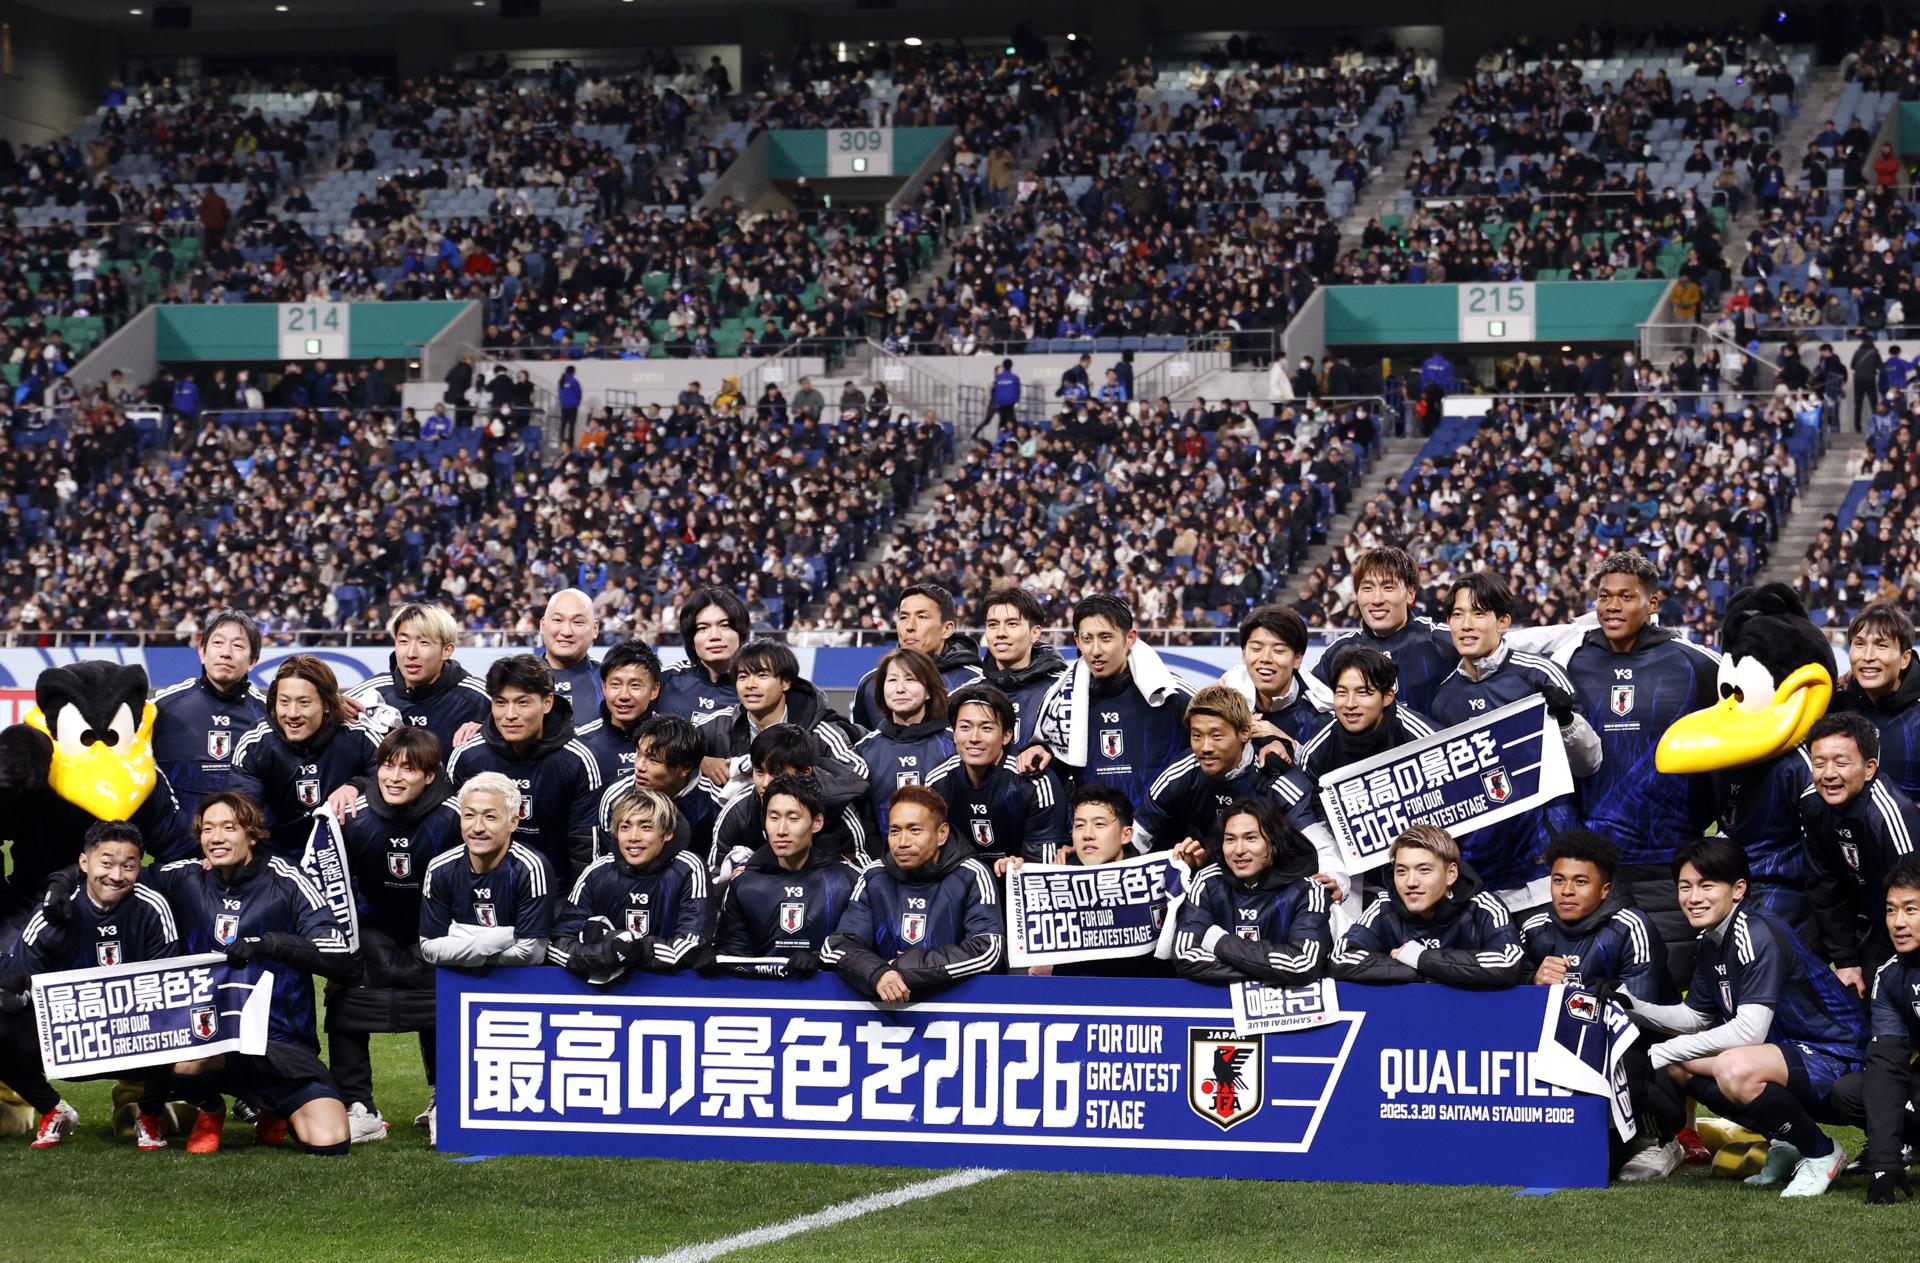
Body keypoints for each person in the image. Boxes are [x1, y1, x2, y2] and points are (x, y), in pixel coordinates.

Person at [1622, 838, 1866, 1198]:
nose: (1693, 897)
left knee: (1733, 1068)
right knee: (1681, 1065)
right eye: (1685, 886)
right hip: (1784, 1053)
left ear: (1738, 889)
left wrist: (1663, 1052)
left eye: (1707, 885)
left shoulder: (1753, 931)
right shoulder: (1710, 938)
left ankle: (1822, 1152)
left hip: (1838, 1054)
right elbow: (1695, 1017)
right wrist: (1631, 1005)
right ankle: (1786, 1141)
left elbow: (1750, 1032)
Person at [150, 792, 356, 1155]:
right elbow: (117, 872)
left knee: (330, 1140)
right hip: (211, 1037)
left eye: (229, 828)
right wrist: (63, 880)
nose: (216, 838)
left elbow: (340, 955)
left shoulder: (287, 879)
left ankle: (272, 1107)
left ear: (253, 833)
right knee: (183, 1063)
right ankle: (211, 1109)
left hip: (279, 1041)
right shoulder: (185, 877)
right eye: (208, 829)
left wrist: (269, 943)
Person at [1555, 552, 1721, 982]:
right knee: (1592, 986)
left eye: (1625, 597)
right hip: (1594, 859)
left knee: (1667, 983)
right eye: (1604, 596)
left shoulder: (1696, 663)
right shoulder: (1572, 662)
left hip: (1667, 855)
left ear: (1653, 602)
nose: (1611, 606)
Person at [0, 822, 180, 1149]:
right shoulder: (53, 912)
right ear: (84, 863)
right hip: (70, 1038)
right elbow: (22, 988)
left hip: (132, 1035)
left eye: (128, 866)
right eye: (106, 863)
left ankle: (149, 1114)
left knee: (180, 1024)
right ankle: (53, 1110)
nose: (116, 875)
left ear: (140, 865)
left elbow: (167, 988)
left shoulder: (153, 908)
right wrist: (10, 986)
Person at [1430, 572, 1600, 914]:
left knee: (1562, 967)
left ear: (1503, 621)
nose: (1465, 624)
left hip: (1544, 867)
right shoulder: (1443, 697)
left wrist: (1567, 721)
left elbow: (1589, 763)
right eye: (1457, 615)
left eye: (1478, 613)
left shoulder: (1538, 675)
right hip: (1483, 870)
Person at [328, 727, 459, 1145]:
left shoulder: (452, 817)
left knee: (447, 996)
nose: (395, 776)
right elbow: (334, 885)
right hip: (373, 929)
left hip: (437, 931)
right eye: (388, 765)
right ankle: (358, 1105)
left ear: (431, 776)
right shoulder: (352, 816)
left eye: (409, 768)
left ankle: (448, 1100)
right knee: (342, 991)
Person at [822, 785, 1005, 1001]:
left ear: (942, 834)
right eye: (895, 830)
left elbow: (987, 950)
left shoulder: (972, 875)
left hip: (958, 1013)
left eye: (915, 830)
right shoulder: (874, 876)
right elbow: (838, 945)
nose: (902, 842)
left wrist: (902, 969)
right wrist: (878, 973)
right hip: (885, 1016)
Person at [1025, 594, 1195, 812]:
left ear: (1130, 638)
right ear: (1077, 640)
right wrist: (1039, 747)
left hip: (1164, 840)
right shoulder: (1060, 701)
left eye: (1106, 638)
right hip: (1093, 838)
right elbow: (1056, 769)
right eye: (1087, 639)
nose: (1095, 650)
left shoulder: (1170, 693)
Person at [446, 654, 601, 882]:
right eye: (501, 702)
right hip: (481, 889)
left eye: (522, 702)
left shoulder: (577, 760)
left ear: (547, 702)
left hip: (556, 893)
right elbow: (451, 837)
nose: (510, 715)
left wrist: (575, 907)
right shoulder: (468, 756)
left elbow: (584, 847)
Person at [1823, 857, 1920, 1204]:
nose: (1899, 922)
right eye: (1892, 910)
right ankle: (1904, 1151)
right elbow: (1886, 1067)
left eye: (1911, 909)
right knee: (1851, 1090)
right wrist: (1883, 1161)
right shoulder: (1890, 976)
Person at [1802, 712, 1920, 988]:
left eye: (1841, 763)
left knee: (1885, 990)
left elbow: (1913, 897)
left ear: (1869, 768)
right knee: (1792, 958)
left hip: (1899, 916)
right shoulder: (1811, 804)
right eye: (1819, 764)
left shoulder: (1890, 815)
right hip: (1858, 910)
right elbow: (1823, 885)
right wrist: (1845, 960)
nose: (1828, 774)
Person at [1330, 824, 1527, 987]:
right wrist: (1420, 970)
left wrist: (1423, 958)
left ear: (1451, 874)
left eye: (1424, 870)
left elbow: (1509, 962)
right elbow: (1341, 958)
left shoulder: (1483, 906)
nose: (1411, 882)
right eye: (1401, 871)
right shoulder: (1384, 905)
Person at [550, 787, 711, 979]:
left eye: (646, 827)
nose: (633, 837)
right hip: (608, 997)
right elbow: (558, 944)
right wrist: (603, 954)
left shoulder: (689, 869)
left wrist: (635, 949)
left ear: (667, 833)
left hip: (673, 993)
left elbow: (693, 945)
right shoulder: (596, 873)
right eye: (625, 827)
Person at [713, 774, 864, 977]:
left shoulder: (849, 882)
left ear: (817, 822)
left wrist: (821, 960)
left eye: (793, 818)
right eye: (773, 817)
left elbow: (860, 950)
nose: (781, 830)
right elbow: (735, 958)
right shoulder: (744, 884)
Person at [229, 655, 381, 856]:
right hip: (278, 856)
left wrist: (358, 786)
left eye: (304, 702)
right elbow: (243, 811)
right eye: (284, 702)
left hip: (350, 857)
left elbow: (397, 781)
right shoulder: (255, 744)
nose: (292, 713)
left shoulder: (358, 735)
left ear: (327, 704)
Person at [1173, 796, 1332, 986]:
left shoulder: (1308, 890)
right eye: (1230, 840)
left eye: (1251, 838)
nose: (1239, 850)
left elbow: (1303, 965)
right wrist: (1268, 972)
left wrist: (1220, 942)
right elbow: (1185, 956)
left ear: (1273, 842)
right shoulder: (1207, 882)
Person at [1520, 829, 1672, 1001]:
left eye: (1580, 882)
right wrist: (1533, 982)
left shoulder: (1631, 928)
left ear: (1604, 891)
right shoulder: (1534, 928)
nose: (1567, 891)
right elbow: (1512, 1003)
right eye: (1559, 880)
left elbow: (1643, 1013)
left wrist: (1598, 998)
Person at [1135, 686, 1289, 855]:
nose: (1205, 748)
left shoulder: (1274, 773)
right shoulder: (1179, 773)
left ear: (1245, 732)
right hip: (1205, 874)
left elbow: (1315, 848)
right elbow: (1136, 839)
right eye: (1197, 736)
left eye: (1216, 736)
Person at [926, 685, 1067, 865]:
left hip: (1018, 886)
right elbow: (934, 855)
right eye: (965, 727)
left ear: (1007, 735)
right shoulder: (937, 782)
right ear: (954, 733)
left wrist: (1015, 870)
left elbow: (1042, 868)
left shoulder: (1034, 783)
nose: (974, 737)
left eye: (986, 728)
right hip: (965, 886)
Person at [696, 639, 868, 785]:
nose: (750, 684)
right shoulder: (720, 725)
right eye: (743, 676)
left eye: (762, 675)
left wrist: (798, 784)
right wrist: (701, 761)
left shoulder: (819, 733)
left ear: (785, 682)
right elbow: (671, 746)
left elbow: (857, 774)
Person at [151, 608, 266, 824]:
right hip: (177, 851)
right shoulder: (161, 708)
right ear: (202, 653)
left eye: (238, 645)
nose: (226, 653)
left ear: (253, 661)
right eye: (218, 643)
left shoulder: (268, 715)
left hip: (244, 849)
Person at [708, 725, 873, 875]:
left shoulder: (839, 810)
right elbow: (714, 878)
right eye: (759, 772)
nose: (765, 783)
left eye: (777, 774)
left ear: (805, 772)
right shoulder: (737, 813)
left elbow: (862, 878)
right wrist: (730, 881)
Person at [1313, 546, 1458, 715]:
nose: (1376, 599)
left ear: (1410, 594)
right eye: (1367, 588)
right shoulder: (1339, 652)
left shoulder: (1441, 641)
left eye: (1388, 588)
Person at [345, 602, 491, 756]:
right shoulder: (372, 691)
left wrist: (488, 728)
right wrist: (333, 712)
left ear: (446, 650)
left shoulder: (479, 697)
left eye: (424, 643)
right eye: (403, 642)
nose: (411, 653)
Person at [853, 649, 956, 843]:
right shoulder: (864, 750)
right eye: (892, 680)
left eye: (910, 679)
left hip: (946, 864)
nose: (900, 688)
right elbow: (864, 820)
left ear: (928, 690)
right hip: (885, 864)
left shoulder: (955, 745)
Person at [849, 583, 984, 730]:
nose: (909, 626)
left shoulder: (975, 681)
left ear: (947, 628)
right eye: (904, 617)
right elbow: (865, 747)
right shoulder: (871, 683)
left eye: (922, 617)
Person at [594, 713, 723, 861]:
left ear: (685, 768)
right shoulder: (617, 795)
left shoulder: (715, 802)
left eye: (653, 760)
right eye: (638, 754)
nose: (639, 766)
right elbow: (609, 862)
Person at [1830, 603, 1920, 803]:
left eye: (1881, 645)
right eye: (1860, 644)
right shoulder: (1835, 704)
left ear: (1905, 658)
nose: (1868, 657)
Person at [1219, 603, 1331, 755]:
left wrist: (1288, 744)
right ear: (1244, 654)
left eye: (1278, 650)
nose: (1265, 658)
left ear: (1297, 659)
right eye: (1256, 649)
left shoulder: (1320, 715)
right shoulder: (1225, 698)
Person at [978, 586, 1069, 746]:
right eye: (993, 625)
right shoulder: (972, 693)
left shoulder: (1061, 691)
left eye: (1012, 624)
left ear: (1035, 633)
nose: (1000, 633)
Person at [574, 639, 664, 788]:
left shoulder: (670, 743)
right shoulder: (581, 742)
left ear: (654, 690)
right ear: (604, 687)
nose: (624, 695)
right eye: (615, 684)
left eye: (635, 685)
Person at [656, 587, 748, 723]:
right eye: (703, 628)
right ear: (691, 640)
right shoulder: (665, 679)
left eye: (725, 626)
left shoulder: (756, 689)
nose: (715, 636)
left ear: (740, 635)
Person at [538, 588, 603, 712]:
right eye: (557, 620)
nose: (566, 632)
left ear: (595, 629)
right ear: (543, 625)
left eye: (577, 622)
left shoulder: (609, 680)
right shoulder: (514, 678)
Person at [987, 357, 1021, 434]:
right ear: (1011, 366)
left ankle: (1001, 434)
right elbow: (1018, 390)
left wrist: (996, 403)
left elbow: (997, 391)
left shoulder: (998, 378)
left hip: (1001, 403)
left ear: (1003, 365)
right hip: (1010, 403)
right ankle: (1013, 434)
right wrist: (1016, 400)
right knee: (1011, 419)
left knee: (1002, 420)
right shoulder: (1015, 377)